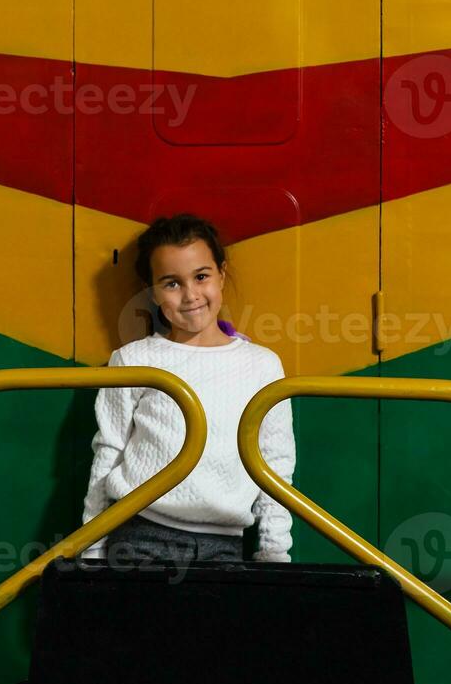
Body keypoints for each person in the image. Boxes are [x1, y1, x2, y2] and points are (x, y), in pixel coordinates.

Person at [79, 214, 295, 567]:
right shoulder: (133, 359)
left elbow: (276, 463)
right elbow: (109, 452)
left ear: (221, 274)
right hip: (139, 537)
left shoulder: (262, 365)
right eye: (171, 283)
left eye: (201, 277)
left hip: (224, 546)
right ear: (152, 290)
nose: (191, 295)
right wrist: (91, 547)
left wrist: (273, 553)